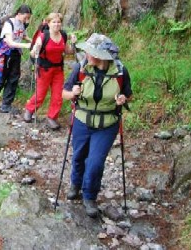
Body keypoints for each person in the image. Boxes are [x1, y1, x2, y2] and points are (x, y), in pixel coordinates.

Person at [62, 33, 133, 218]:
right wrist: (73, 93)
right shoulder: (81, 68)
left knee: (95, 162)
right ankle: (75, 184)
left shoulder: (120, 72)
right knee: (79, 155)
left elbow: (128, 94)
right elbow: (65, 93)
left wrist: (123, 99)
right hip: (82, 120)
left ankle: (89, 196)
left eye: (90, 51)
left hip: (107, 124)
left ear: (102, 56)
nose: (87, 54)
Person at [24, 12, 77, 129]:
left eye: (59, 22)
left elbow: (68, 51)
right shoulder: (43, 36)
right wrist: (36, 49)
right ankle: (29, 109)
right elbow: (33, 53)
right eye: (54, 22)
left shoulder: (63, 35)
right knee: (40, 94)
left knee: (58, 95)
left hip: (58, 69)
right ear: (48, 23)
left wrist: (73, 44)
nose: (57, 24)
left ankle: (52, 117)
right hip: (44, 69)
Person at [0, 4, 32, 113]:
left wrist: (33, 41)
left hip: (16, 53)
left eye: (28, 18)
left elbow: (23, 36)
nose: (27, 20)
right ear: (19, 14)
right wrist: (26, 46)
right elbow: (10, 42)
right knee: (1, 78)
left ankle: (6, 104)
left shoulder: (22, 24)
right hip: (5, 53)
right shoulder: (8, 23)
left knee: (14, 78)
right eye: (25, 17)